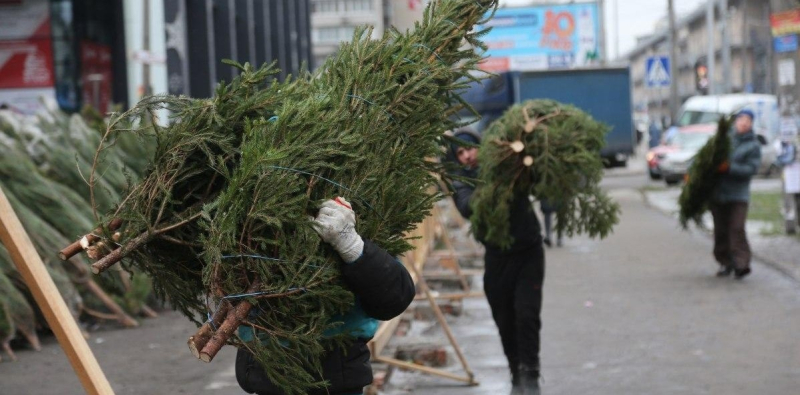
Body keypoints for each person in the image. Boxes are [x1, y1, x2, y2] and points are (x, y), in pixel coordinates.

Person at [235, 197, 416, 395]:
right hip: (265, 372)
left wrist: (352, 244)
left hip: (334, 374)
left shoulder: (356, 209)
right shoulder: (251, 209)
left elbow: (395, 296)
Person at [448, 127, 544, 395]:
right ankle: (516, 373)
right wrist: (493, 186)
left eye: (470, 148)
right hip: (497, 257)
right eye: (460, 153)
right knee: (505, 319)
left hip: (528, 251)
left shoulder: (507, 163)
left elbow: (533, 176)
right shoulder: (460, 181)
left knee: (527, 314)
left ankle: (531, 376)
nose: (467, 156)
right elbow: (467, 207)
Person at [711, 110, 762, 279]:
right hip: (718, 194)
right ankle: (725, 262)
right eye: (741, 119)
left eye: (748, 120)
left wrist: (729, 168)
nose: (744, 123)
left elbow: (751, 169)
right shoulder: (724, 140)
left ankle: (741, 264)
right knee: (721, 231)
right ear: (735, 122)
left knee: (736, 228)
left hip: (739, 195)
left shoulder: (753, 145)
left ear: (751, 124)